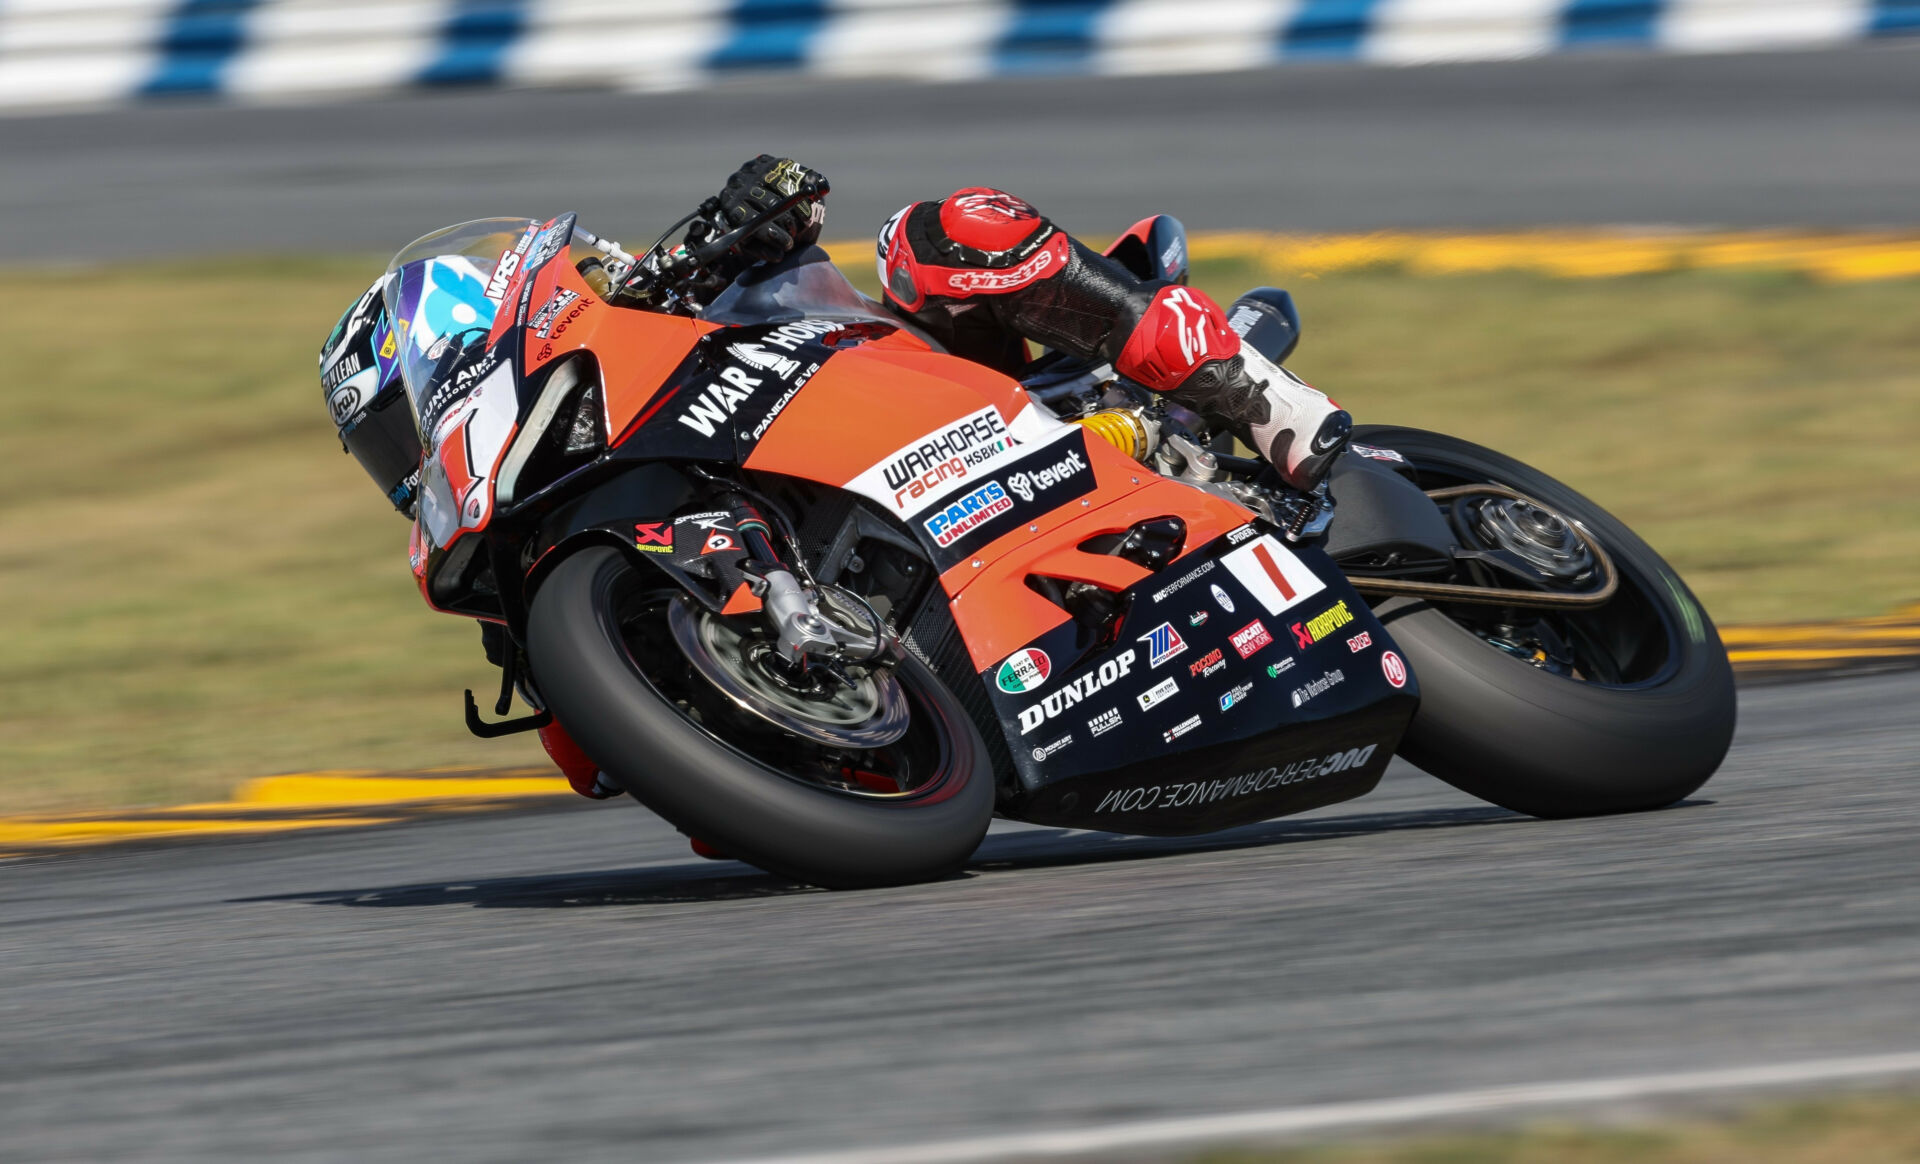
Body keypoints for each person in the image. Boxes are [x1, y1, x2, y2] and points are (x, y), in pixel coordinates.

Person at [703, 155, 1352, 492]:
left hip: (945, 411)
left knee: (929, 234)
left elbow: (653, 293)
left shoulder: (622, 312)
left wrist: (740, 229)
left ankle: (1255, 396)